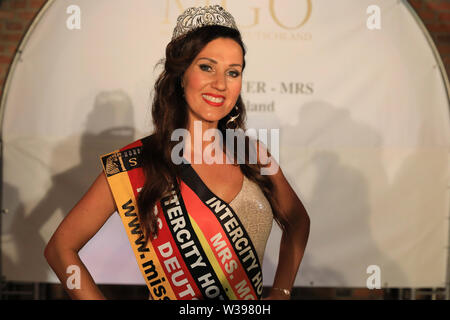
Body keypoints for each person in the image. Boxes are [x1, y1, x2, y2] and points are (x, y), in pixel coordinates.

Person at [44, 5, 310, 300]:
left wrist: (282, 292)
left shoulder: (253, 154)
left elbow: (298, 221)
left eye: (232, 72)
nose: (220, 84)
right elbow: (60, 248)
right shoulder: (139, 163)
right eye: (206, 67)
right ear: (181, 75)